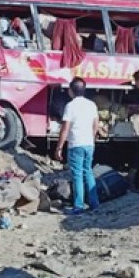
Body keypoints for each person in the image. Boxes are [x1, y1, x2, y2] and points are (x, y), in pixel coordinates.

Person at [54, 78, 100, 215]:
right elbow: (95, 124)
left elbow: (65, 128)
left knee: (77, 176)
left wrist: (59, 147)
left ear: (70, 91)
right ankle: (94, 203)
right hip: (89, 144)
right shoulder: (92, 105)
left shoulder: (70, 106)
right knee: (88, 172)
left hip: (76, 144)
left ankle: (78, 206)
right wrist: (91, 138)